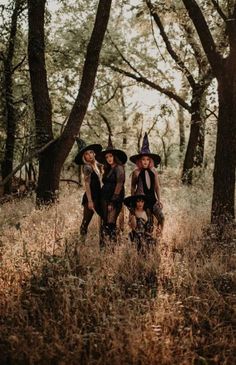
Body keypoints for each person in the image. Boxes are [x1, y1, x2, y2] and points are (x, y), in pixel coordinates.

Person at [130, 132, 164, 234]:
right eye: (143, 159)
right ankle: (145, 239)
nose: (145, 161)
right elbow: (132, 186)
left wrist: (159, 200)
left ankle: (159, 234)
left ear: (150, 161)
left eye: (147, 160)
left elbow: (157, 186)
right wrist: (133, 200)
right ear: (140, 161)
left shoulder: (154, 171)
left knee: (161, 217)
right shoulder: (136, 172)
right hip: (142, 200)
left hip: (152, 199)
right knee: (148, 222)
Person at [96, 137, 127, 245]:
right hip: (104, 197)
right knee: (105, 221)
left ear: (114, 156)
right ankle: (104, 246)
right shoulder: (107, 169)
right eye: (107, 157)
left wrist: (113, 201)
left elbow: (119, 183)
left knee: (111, 221)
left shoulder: (119, 167)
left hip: (115, 197)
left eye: (111, 156)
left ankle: (113, 247)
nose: (109, 158)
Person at [74, 140, 102, 240]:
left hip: (98, 197)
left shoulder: (96, 166)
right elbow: (87, 184)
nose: (89, 155)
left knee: (104, 218)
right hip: (90, 198)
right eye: (86, 154)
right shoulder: (87, 167)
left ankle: (104, 242)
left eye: (90, 152)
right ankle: (81, 243)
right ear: (84, 157)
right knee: (85, 222)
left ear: (94, 153)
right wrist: (90, 201)